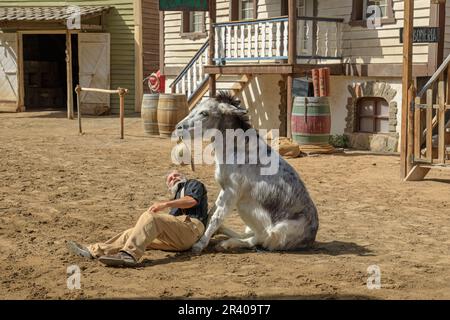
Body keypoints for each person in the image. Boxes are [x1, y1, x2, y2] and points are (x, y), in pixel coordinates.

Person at [66, 170, 208, 267]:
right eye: (170, 178)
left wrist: (164, 204)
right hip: (176, 241)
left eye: (176, 175)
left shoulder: (192, 184)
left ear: (183, 177)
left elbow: (192, 201)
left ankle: (129, 255)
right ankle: (93, 251)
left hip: (191, 229)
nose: (174, 178)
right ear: (168, 186)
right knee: (132, 233)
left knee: (151, 217)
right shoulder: (175, 202)